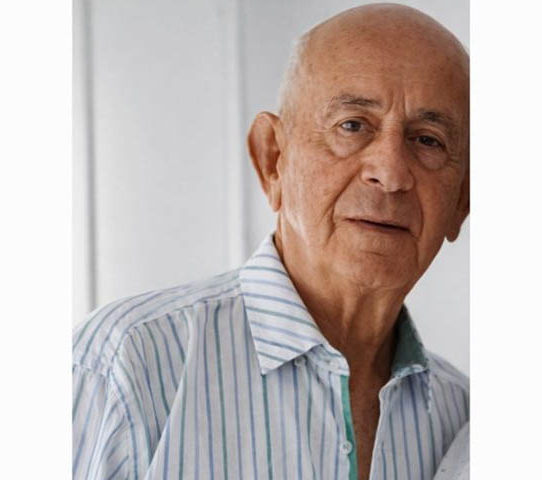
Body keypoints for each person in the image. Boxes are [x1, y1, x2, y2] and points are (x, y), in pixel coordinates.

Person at [72, 3, 469, 479]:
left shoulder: (465, 420)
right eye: (352, 125)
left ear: (462, 200)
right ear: (272, 159)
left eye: (428, 140)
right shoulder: (125, 365)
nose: (390, 172)